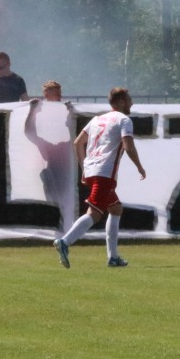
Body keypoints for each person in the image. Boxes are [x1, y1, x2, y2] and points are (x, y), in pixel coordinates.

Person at [52, 87, 146, 269]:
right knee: (94, 213)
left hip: (92, 170)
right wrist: (139, 167)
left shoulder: (97, 119)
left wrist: (84, 169)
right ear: (120, 102)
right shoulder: (124, 120)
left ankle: (113, 257)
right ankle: (65, 242)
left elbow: (78, 143)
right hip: (105, 173)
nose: (132, 103)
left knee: (116, 209)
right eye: (129, 99)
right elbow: (128, 146)